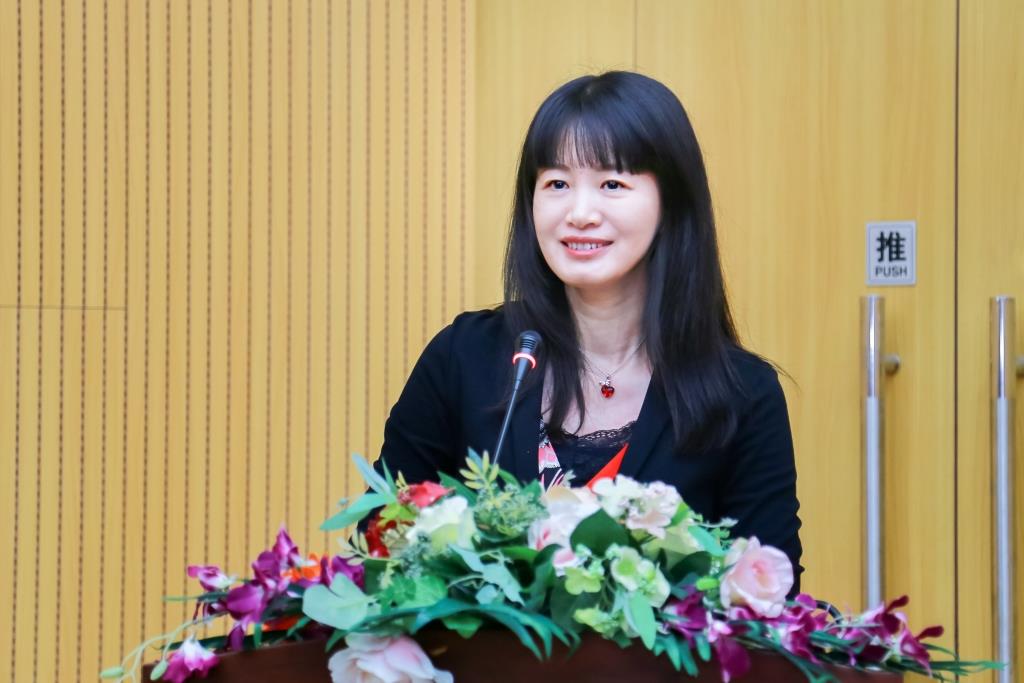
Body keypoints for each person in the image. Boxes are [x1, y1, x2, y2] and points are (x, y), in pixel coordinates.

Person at [373, 71, 803, 592]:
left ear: (671, 203)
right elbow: (383, 536)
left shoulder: (740, 394)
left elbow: (769, 594)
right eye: (557, 184)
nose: (579, 214)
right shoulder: (464, 357)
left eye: (612, 184)